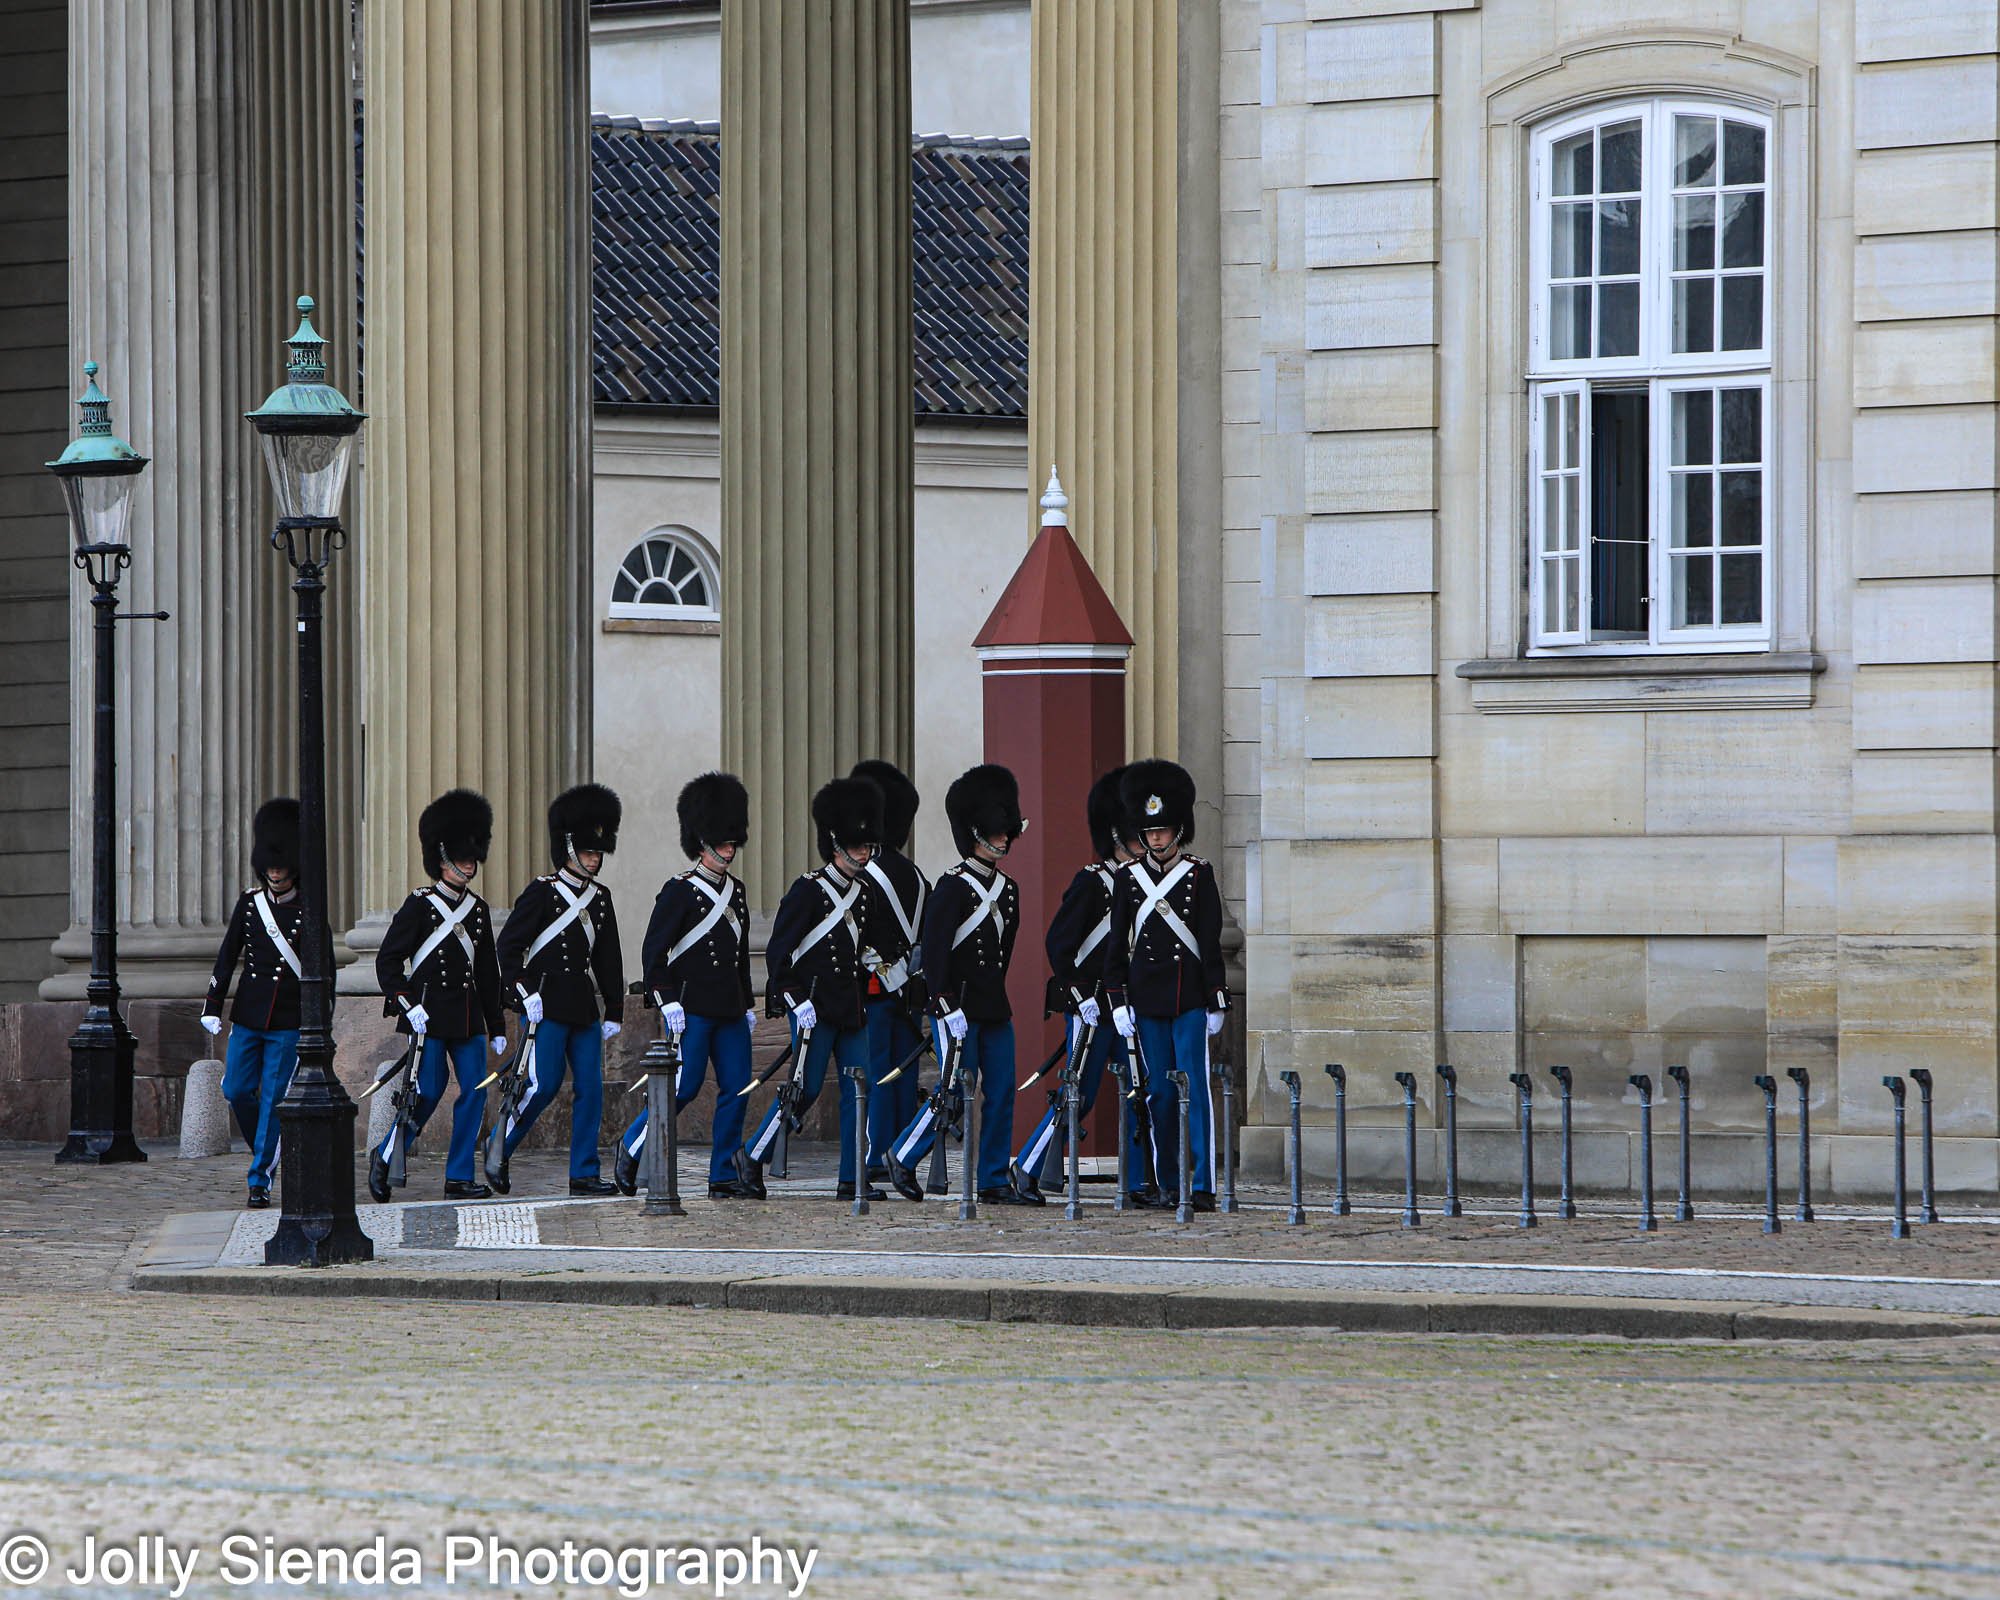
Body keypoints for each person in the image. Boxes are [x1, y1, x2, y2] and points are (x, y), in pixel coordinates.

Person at [1008, 765, 1165, 1206]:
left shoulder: (1147, 885)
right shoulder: (1093, 883)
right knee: (1079, 1095)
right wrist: (1078, 995)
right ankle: (1029, 1166)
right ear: (1117, 834)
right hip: (1095, 1005)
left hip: (1131, 1006)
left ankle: (1139, 1183)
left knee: (1141, 1092)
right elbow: (1060, 944)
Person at [884, 764, 1028, 1206]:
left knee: (1002, 1089)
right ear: (976, 832)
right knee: (953, 1091)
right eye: (996, 831)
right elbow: (936, 952)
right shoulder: (951, 887)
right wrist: (944, 1003)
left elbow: (1002, 953)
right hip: (956, 1007)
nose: (1004, 838)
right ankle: (903, 1155)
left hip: (991, 1006)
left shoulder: (1007, 890)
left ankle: (992, 1177)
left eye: (1006, 831)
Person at [613, 771, 760, 1201]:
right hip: (692, 1006)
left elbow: (737, 952)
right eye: (723, 844)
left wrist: (747, 1002)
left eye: (733, 844)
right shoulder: (679, 891)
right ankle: (632, 1145)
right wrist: (665, 999)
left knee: (737, 1086)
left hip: (729, 1008)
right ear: (702, 841)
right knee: (685, 1085)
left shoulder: (736, 892)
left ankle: (724, 1174)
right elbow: (653, 952)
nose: (730, 852)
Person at [739, 777, 884, 1201]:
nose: (863, 853)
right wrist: (794, 1001)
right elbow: (779, 955)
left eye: (867, 846)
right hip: (813, 1007)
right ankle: (752, 1156)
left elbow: (863, 950)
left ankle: (852, 1175)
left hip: (851, 1008)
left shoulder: (863, 894)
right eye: (857, 846)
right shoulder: (808, 891)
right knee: (806, 1089)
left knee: (861, 1086)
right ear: (836, 843)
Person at [368, 789, 507, 1202]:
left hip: (466, 1018)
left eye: (472, 855)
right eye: (462, 856)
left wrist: (496, 1023)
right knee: (428, 1089)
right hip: (428, 1016)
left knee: (476, 1090)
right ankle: (388, 1151)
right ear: (442, 857)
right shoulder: (420, 905)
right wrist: (408, 1006)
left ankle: (459, 1175)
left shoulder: (478, 910)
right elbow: (388, 963)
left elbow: (487, 972)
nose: (469, 863)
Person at [1103, 759, 1229, 1211]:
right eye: (1148, 831)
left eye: (1162, 830)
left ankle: (1203, 1186)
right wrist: (1116, 997)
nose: (1155, 838)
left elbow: (1210, 940)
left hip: (1190, 997)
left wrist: (1217, 998)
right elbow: (1118, 943)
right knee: (1157, 1093)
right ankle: (1168, 1180)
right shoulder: (1127, 878)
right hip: (1146, 998)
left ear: (1178, 830)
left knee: (1194, 1090)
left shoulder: (1199, 874)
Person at [493, 783, 625, 1196]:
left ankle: (583, 1171)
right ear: (569, 848)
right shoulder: (542, 892)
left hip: (582, 1006)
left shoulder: (600, 899)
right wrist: (523, 991)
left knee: (591, 1089)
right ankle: (499, 1145)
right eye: (589, 852)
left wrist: (616, 1010)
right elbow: (508, 946)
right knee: (543, 1084)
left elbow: (608, 957)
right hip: (545, 1003)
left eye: (598, 852)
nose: (595, 859)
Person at [201, 798, 314, 1208]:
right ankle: (265, 1150)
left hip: (287, 1018)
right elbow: (228, 954)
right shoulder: (250, 904)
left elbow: (325, 970)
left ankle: (259, 1179)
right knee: (236, 1089)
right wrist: (213, 1004)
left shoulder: (308, 909)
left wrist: (322, 1017)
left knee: (273, 1100)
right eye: (270, 865)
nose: (275, 871)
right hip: (249, 1014)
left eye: (281, 866)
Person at [850, 759, 928, 1187]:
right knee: (905, 1072)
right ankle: (900, 1151)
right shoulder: (917, 877)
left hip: (876, 989)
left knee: (877, 1070)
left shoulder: (865, 877)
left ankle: (877, 1151)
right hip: (909, 992)